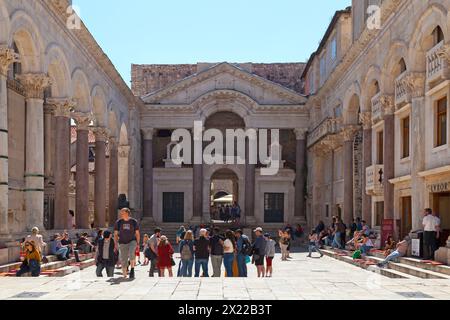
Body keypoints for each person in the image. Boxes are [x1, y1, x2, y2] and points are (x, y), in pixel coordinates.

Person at [114, 208, 140, 279]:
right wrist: (115, 243)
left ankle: (132, 269)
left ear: (127, 213)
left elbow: (137, 233)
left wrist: (138, 243)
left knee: (132, 253)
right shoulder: (119, 222)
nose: (121, 213)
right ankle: (125, 274)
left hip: (132, 240)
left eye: (122, 212)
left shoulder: (133, 221)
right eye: (121, 212)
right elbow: (115, 234)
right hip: (122, 242)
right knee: (123, 259)